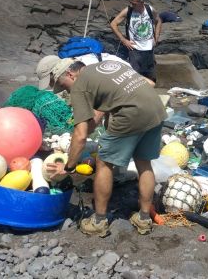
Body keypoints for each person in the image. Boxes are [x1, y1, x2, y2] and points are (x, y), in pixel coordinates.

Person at [45, 58, 166, 237]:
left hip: (132, 113)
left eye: (62, 85)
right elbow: (105, 110)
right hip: (155, 108)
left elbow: (81, 135)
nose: (65, 90)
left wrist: (69, 167)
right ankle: (144, 218)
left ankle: (99, 222)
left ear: (70, 74)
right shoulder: (104, 67)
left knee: (103, 161)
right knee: (143, 162)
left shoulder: (80, 86)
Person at [110, 0, 162, 82]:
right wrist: (123, 40)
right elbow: (113, 24)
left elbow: (159, 21)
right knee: (135, 77)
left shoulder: (149, 9)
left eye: (134, 4)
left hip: (149, 49)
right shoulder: (128, 11)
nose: (131, 5)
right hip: (135, 50)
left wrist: (156, 37)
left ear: (141, 2)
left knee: (151, 76)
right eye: (130, 3)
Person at [36, 53, 129, 91]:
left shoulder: (86, 70)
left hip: (124, 80)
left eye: (50, 81)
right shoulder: (74, 64)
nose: (51, 85)